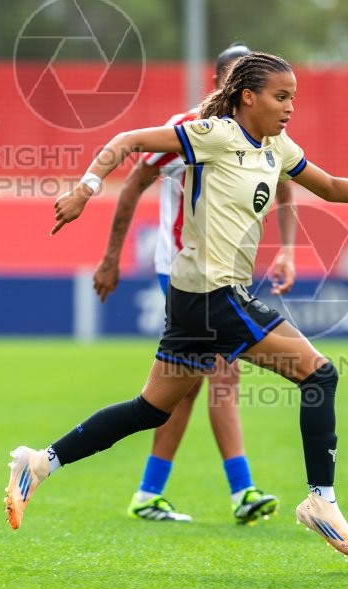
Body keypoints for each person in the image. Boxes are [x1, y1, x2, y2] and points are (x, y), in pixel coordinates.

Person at [4, 52, 348, 558]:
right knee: (319, 375)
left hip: (197, 300)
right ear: (247, 96)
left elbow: (331, 186)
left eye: (293, 97)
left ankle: (39, 462)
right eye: (281, 96)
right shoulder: (213, 134)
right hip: (214, 294)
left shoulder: (276, 144)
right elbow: (127, 142)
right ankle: (321, 500)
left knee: (150, 409)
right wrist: (84, 190)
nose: (290, 106)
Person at [92, 43, 295, 523]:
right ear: (227, 86)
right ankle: (242, 491)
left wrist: (287, 248)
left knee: (184, 385)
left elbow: (286, 177)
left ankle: (148, 492)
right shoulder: (188, 129)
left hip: (225, 272)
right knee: (223, 371)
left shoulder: (264, 132)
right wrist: (111, 256)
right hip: (184, 271)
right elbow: (136, 181)